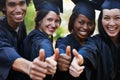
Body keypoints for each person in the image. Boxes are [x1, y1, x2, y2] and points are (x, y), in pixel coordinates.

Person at [0, 0, 52, 80]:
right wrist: (29, 67)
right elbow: (5, 52)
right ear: (4, 7)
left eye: (21, 3)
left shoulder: (21, 25)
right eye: (12, 4)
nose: (18, 9)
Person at [69, 0, 120, 80]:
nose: (112, 23)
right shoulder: (96, 42)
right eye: (106, 18)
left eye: (117, 18)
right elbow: (88, 50)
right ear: (101, 20)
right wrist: (80, 59)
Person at [53, 0, 96, 80]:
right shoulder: (63, 41)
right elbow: (61, 47)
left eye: (90, 24)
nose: (85, 27)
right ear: (73, 21)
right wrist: (62, 56)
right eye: (81, 22)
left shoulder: (94, 42)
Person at [21, 0, 63, 80]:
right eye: (49, 20)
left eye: (56, 21)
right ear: (39, 20)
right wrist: (49, 60)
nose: (53, 25)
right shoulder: (43, 41)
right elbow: (44, 46)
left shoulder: (31, 35)